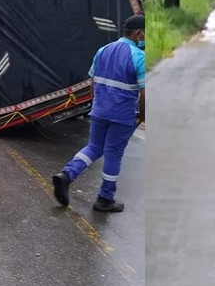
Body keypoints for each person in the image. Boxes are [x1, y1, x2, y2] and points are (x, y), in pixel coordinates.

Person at [52, 15, 146, 213]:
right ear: (139, 33)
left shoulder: (102, 50)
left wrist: (96, 104)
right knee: (113, 153)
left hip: (99, 110)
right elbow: (144, 92)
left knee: (94, 146)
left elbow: (92, 83)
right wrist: (142, 116)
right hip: (122, 114)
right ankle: (105, 198)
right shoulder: (139, 57)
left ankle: (66, 175)